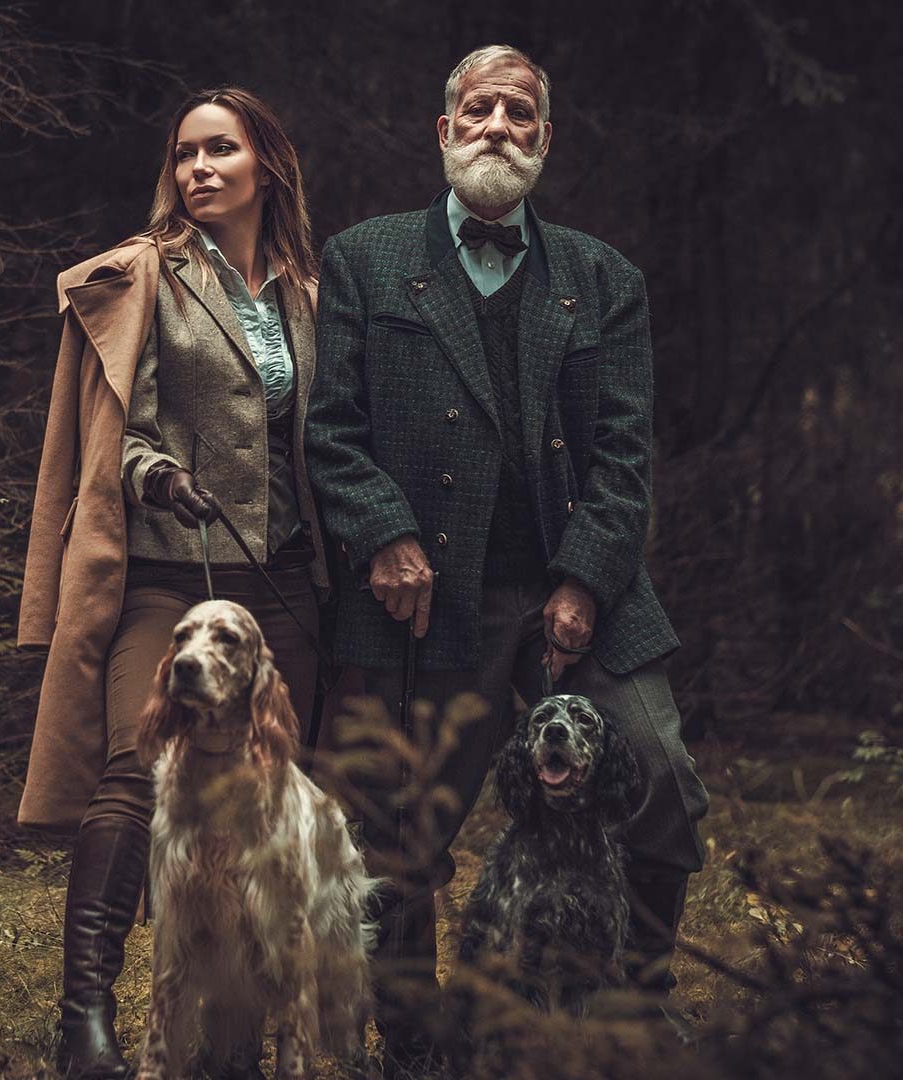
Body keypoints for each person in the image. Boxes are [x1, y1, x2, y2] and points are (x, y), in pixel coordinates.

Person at [306, 44, 709, 1074]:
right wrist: (384, 533)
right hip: (428, 601)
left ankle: (630, 1000)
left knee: (660, 784)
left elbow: (626, 453)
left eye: (519, 113)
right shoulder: (363, 258)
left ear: (543, 139)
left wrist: (583, 580)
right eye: (477, 109)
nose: (498, 126)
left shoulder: (602, 278)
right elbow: (332, 430)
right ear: (443, 133)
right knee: (400, 831)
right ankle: (413, 1035)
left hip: (583, 590)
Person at [17, 87, 327, 1079]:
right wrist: (158, 474)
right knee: (134, 773)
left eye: (220, 150)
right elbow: (128, 425)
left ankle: (235, 1028)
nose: (197, 168)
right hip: (164, 574)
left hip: (281, 578)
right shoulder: (151, 277)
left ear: (265, 167)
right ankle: (86, 1021)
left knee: (265, 793)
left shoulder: (307, 292)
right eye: (185, 152)